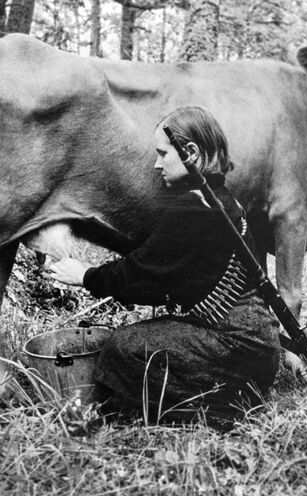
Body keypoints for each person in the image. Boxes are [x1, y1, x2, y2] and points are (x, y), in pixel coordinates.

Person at [47, 106, 281, 428]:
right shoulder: (221, 200)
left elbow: (143, 275)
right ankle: (233, 392)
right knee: (152, 334)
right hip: (257, 344)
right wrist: (88, 228)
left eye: (162, 153)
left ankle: (219, 407)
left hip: (237, 342)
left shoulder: (193, 208)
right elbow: (158, 256)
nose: (157, 165)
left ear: (192, 154)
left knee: (124, 347)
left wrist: (85, 276)